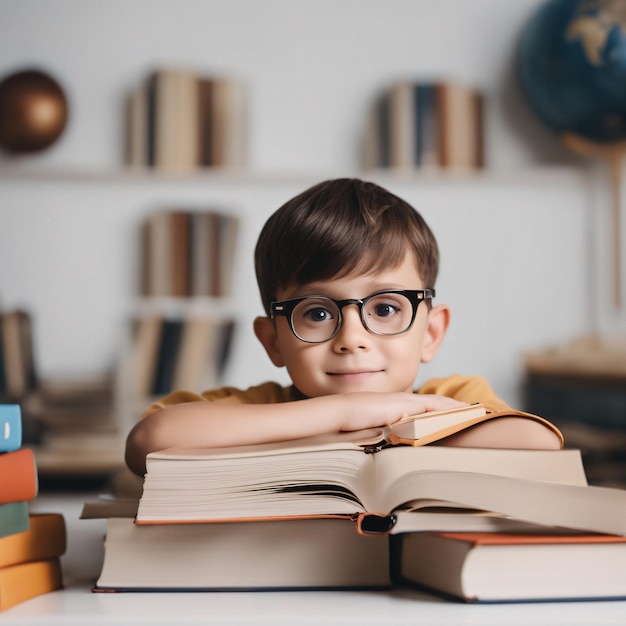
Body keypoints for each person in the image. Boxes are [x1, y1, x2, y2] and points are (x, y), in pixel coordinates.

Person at [125, 178, 509, 476]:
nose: (352, 339)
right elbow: (149, 441)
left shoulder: (451, 396)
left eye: (386, 307)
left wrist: (397, 419)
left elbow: (534, 444)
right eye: (318, 313)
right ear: (273, 341)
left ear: (430, 334)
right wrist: (343, 413)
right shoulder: (260, 410)